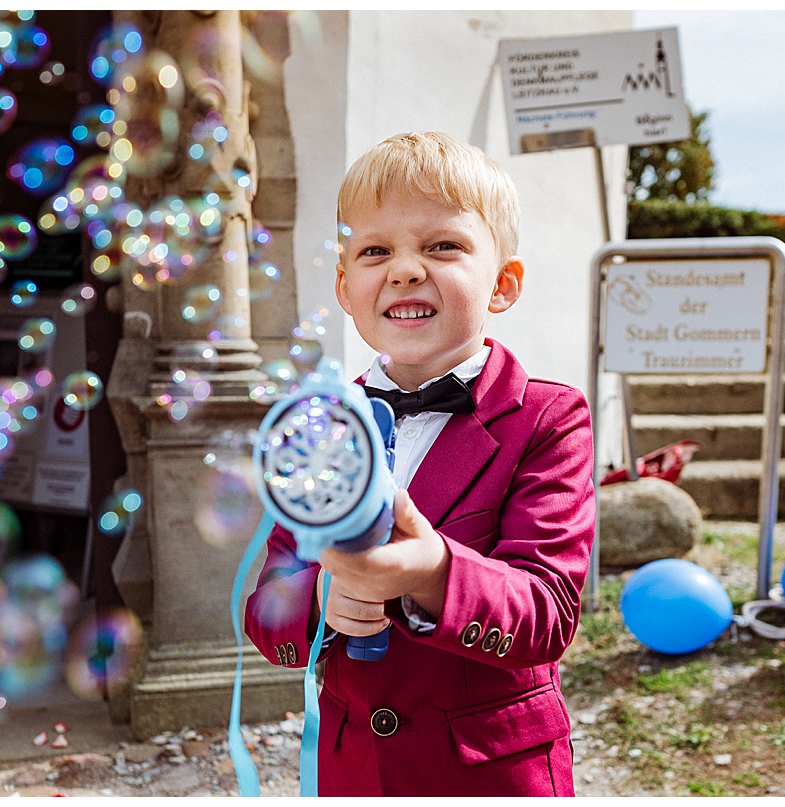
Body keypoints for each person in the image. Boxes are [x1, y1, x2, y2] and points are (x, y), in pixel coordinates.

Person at [244, 131, 595, 796]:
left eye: (442, 246)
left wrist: (435, 570)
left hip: (488, 774)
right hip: (354, 775)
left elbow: (548, 613)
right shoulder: (321, 425)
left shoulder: (547, 419)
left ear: (502, 284)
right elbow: (267, 603)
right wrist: (318, 598)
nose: (404, 269)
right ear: (346, 288)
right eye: (376, 250)